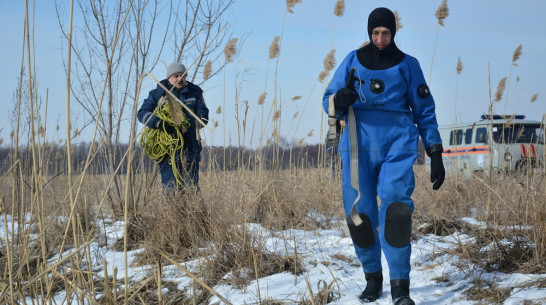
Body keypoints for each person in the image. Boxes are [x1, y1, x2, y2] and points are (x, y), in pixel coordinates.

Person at [322, 8, 445, 305]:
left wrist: (435, 150)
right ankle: (373, 278)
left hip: (397, 146)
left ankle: (400, 285)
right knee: (360, 215)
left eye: (385, 33)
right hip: (356, 149)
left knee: (397, 212)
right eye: (375, 33)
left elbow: (425, 110)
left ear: (393, 33)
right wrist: (339, 100)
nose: (380, 39)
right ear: (369, 33)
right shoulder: (352, 61)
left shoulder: (408, 65)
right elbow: (328, 99)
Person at [138, 62, 209, 192]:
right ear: (169, 77)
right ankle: (171, 212)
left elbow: (203, 117)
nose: (179, 79)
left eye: (182, 75)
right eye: (175, 76)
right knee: (170, 189)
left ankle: (192, 212)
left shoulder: (195, 93)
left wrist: (187, 126)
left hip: (190, 149)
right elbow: (142, 113)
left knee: (191, 189)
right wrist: (160, 123)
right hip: (167, 151)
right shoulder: (157, 93)